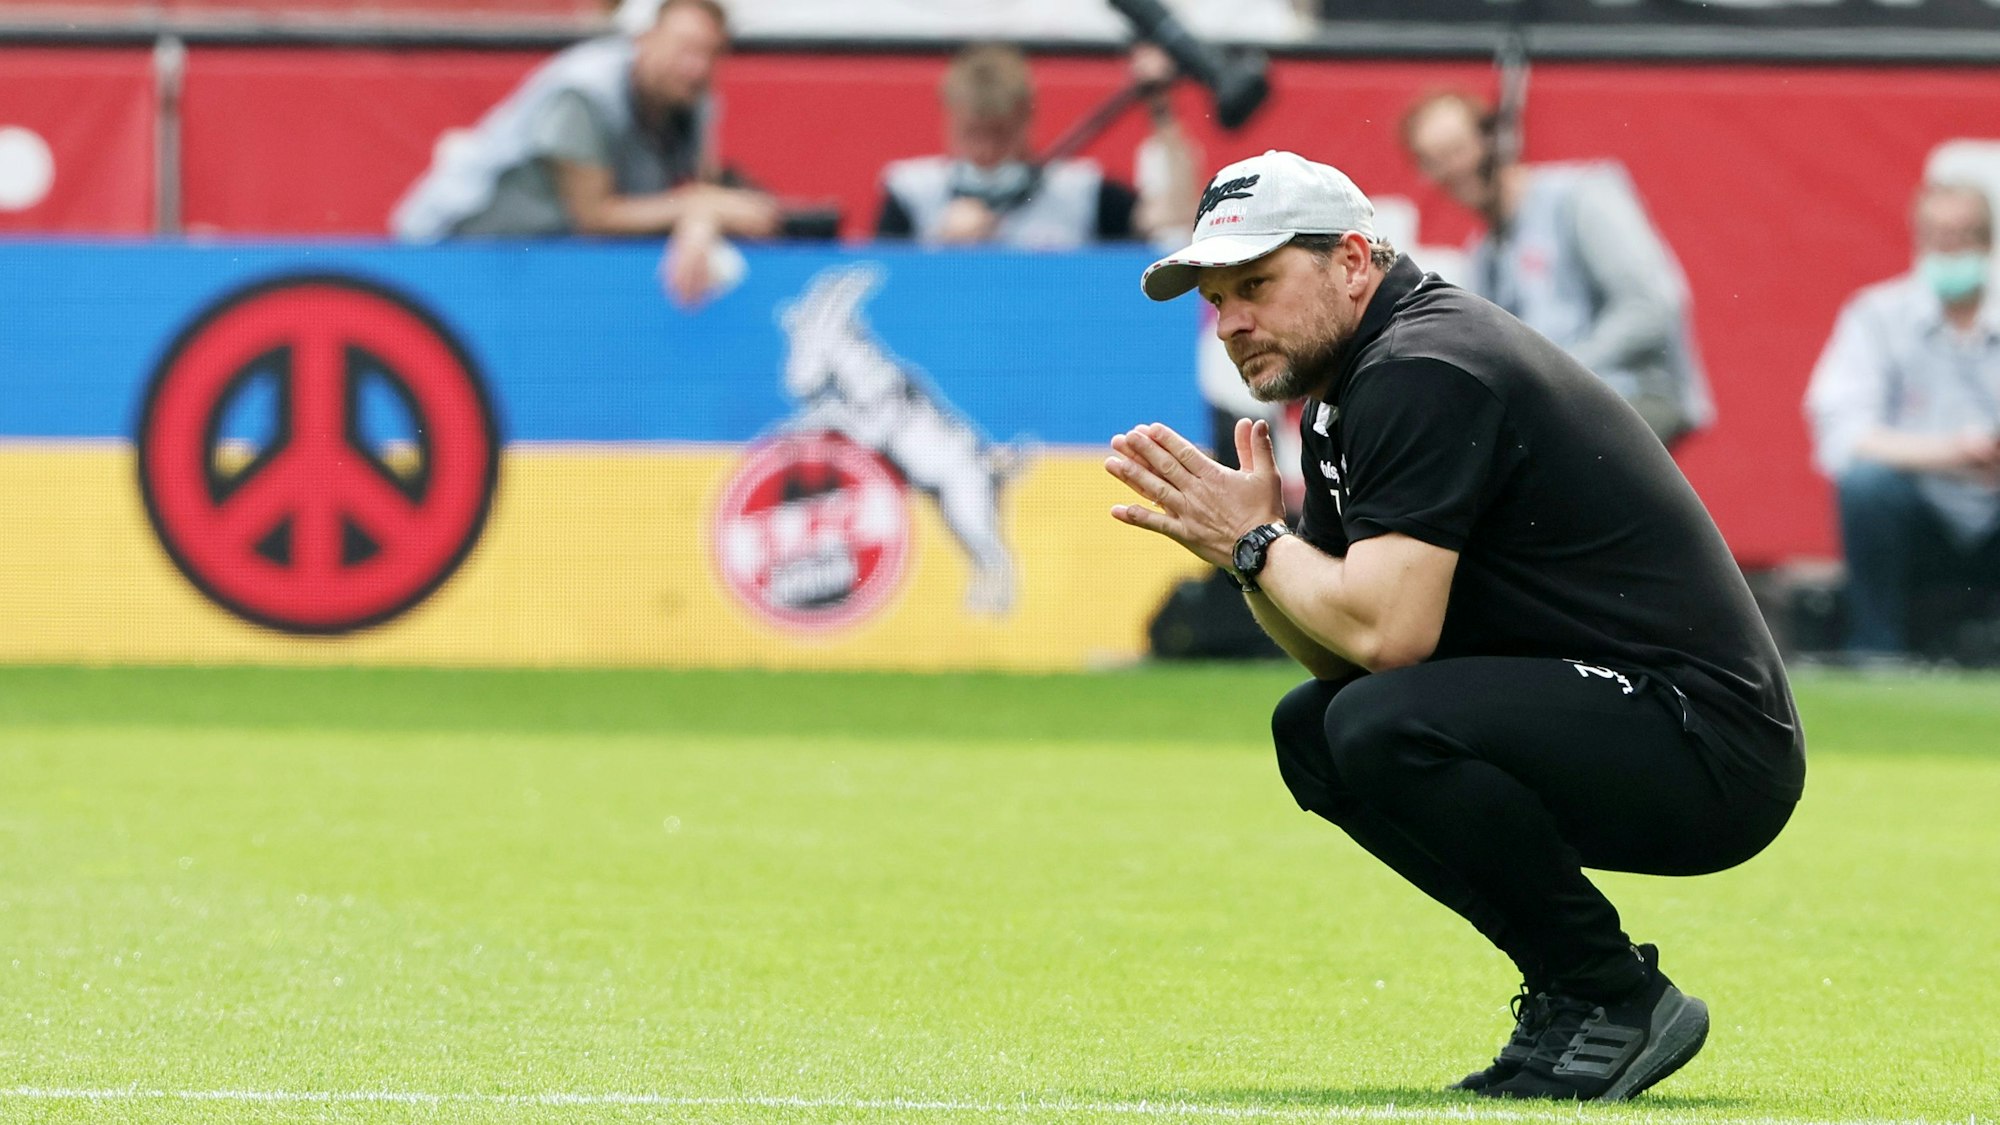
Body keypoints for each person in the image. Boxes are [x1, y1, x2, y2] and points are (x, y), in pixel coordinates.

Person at [1105, 150, 1803, 1101]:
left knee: (1375, 722)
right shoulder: (1353, 379)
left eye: (1256, 285)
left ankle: (1610, 992)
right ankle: (1578, 989)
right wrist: (1247, 555)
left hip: (1707, 740)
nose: (1230, 322)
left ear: (1353, 261)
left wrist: (1260, 540)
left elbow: (1391, 636)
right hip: (1636, 718)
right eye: (1217, 298)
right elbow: (1344, 648)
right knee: (1313, 729)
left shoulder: (1424, 367)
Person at [391, 0, 779, 305]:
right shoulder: (583, 94)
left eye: (710, 53)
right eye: (684, 49)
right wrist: (700, 206)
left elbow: (697, 192)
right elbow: (595, 216)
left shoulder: (694, 100)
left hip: (541, 263)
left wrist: (700, 221)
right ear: (643, 38)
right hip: (452, 254)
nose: (696, 67)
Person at [1400, 91, 1711, 446]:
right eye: (1435, 160)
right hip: (1560, 410)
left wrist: (1560, 372)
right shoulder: (1483, 257)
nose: (1454, 169)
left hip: (1634, 394)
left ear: (1494, 139)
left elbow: (1654, 305)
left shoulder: (1578, 199)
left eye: (1457, 150)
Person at [1804, 181, 2000, 660]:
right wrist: (1955, 454)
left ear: (1988, 242)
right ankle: (1876, 650)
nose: (1950, 248)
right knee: (1866, 485)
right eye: (1938, 235)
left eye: (1963, 235)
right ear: (1919, 240)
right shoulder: (1876, 316)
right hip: (1919, 514)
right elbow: (1841, 434)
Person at [874, 42, 1196, 249]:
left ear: (1024, 122)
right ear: (950, 120)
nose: (986, 150)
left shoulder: (1081, 192)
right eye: (973, 134)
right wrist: (938, 245)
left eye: (1000, 134)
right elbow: (884, 290)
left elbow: (1176, 220)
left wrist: (1160, 109)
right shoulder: (911, 195)